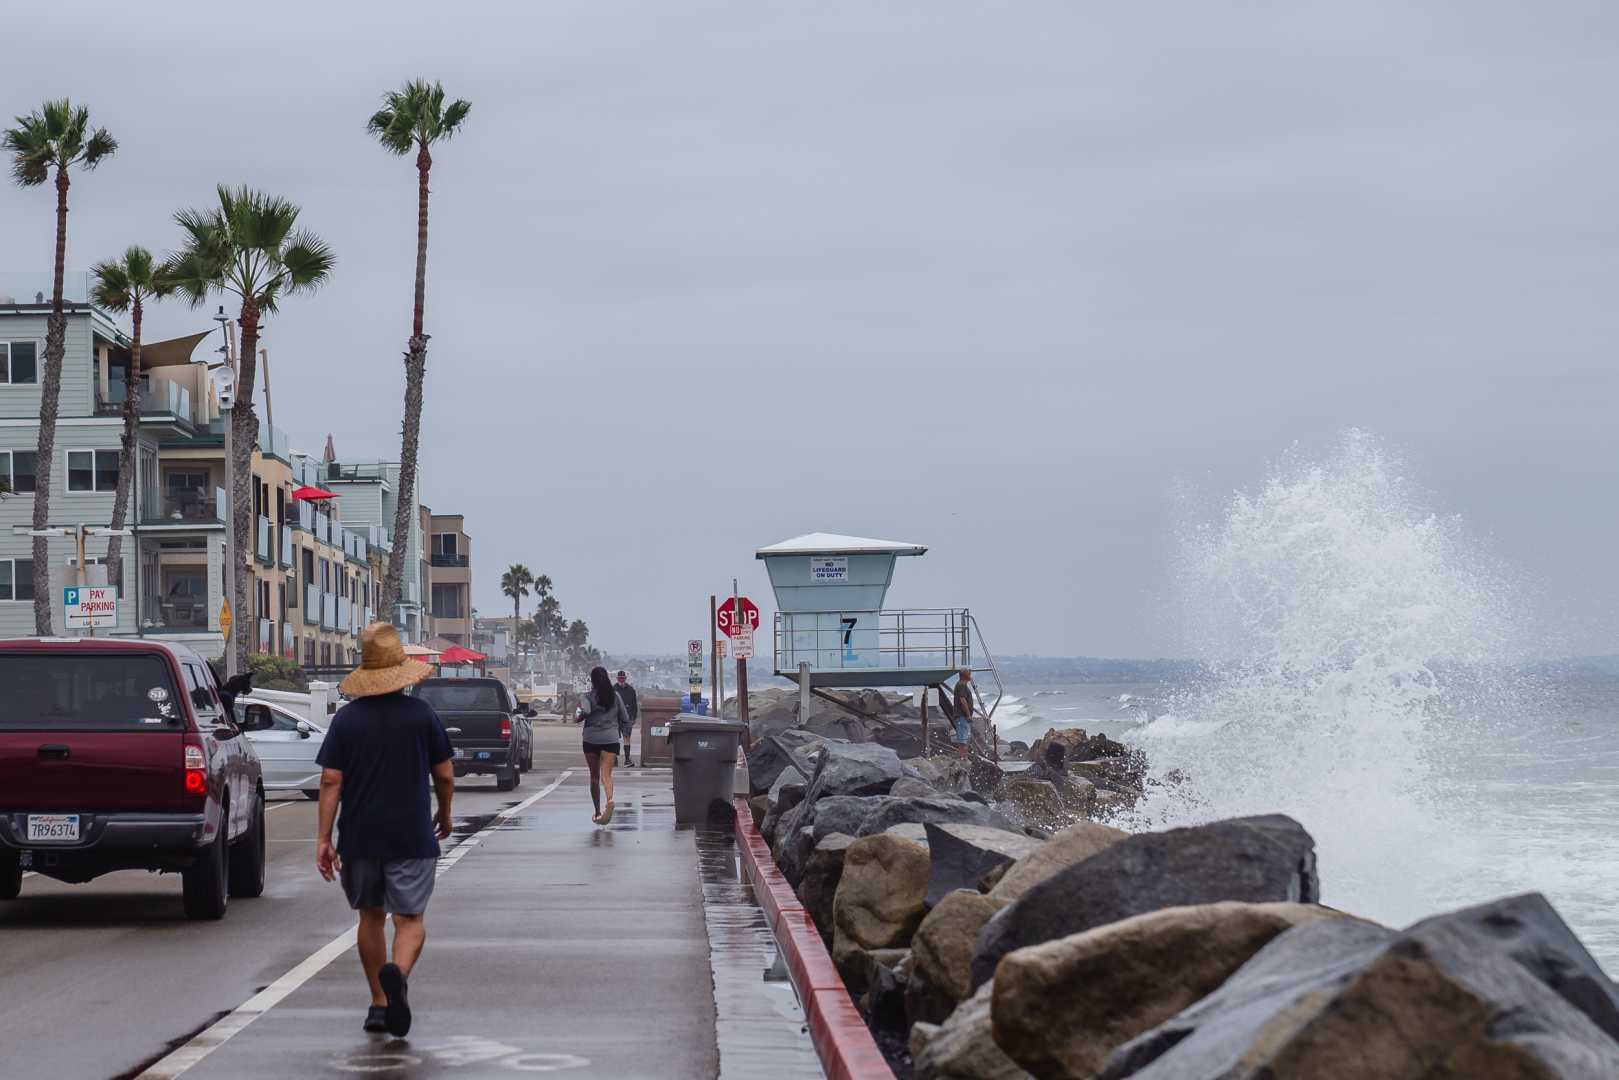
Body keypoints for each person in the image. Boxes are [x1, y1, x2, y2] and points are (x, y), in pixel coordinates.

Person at [315, 622, 454, 1038]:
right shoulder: (422, 715)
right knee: (410, 919)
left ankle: (379, 1003)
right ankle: (399, 974)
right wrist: (445, 814)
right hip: (411, 833)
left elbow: (330, 782)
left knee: (370, 918)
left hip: (360, 836)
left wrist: (324, 838)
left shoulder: (347, 721)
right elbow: (444, 775)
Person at [576, 665, 632, 824]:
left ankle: (598, 812)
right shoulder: (615, 696)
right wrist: (620, 732)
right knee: (606, 774)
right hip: (610, 739)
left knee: (594, 776)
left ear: (592, 680)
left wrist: (578, 717)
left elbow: (584, 712)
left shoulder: (587, 696)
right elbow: (625, 718)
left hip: (591, 739)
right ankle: (610, 800)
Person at [614, 670, 639, 766]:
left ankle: (627, 759)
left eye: (623, 678)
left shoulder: (631, 690)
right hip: (615, 718)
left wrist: (634, 717)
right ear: (617, 679)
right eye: (620, 679)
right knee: (614, 738)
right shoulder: (613, 689)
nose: (621, 680)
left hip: (627, 718)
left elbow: (634, 705)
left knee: (626, 738)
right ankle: (615, 759)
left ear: (625, 679)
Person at [952, 668, 976, 759]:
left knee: (964, 738)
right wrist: (968, 715)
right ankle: (963, 758)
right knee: (963, 740)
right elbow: (962, 701)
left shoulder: (961, 685)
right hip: (962, 716)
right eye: (969, 674)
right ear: (965, 676)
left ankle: (963, 757)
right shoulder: (961, 685)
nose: (971, 676)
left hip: (962, 716)